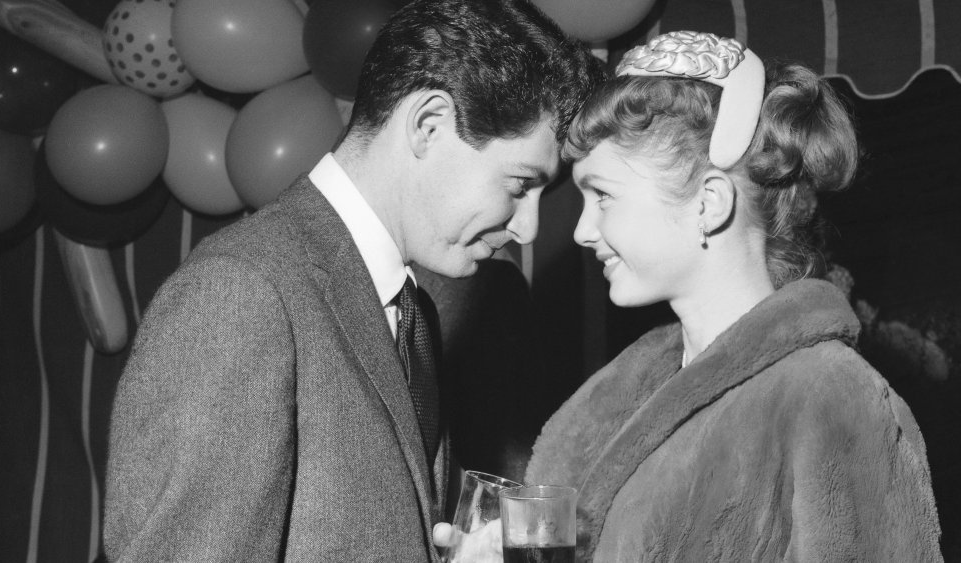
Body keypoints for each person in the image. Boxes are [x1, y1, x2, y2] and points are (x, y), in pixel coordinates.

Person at [102, 0, 604, 560]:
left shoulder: (411, 308)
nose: (529, 226)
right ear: (428, 123)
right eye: (519, 184)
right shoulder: (241, 293)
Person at [436, 30, 943, 561]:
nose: (583, 230)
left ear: (709, 203)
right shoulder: (624, 392)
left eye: (603, 195)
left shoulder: (835, 398)